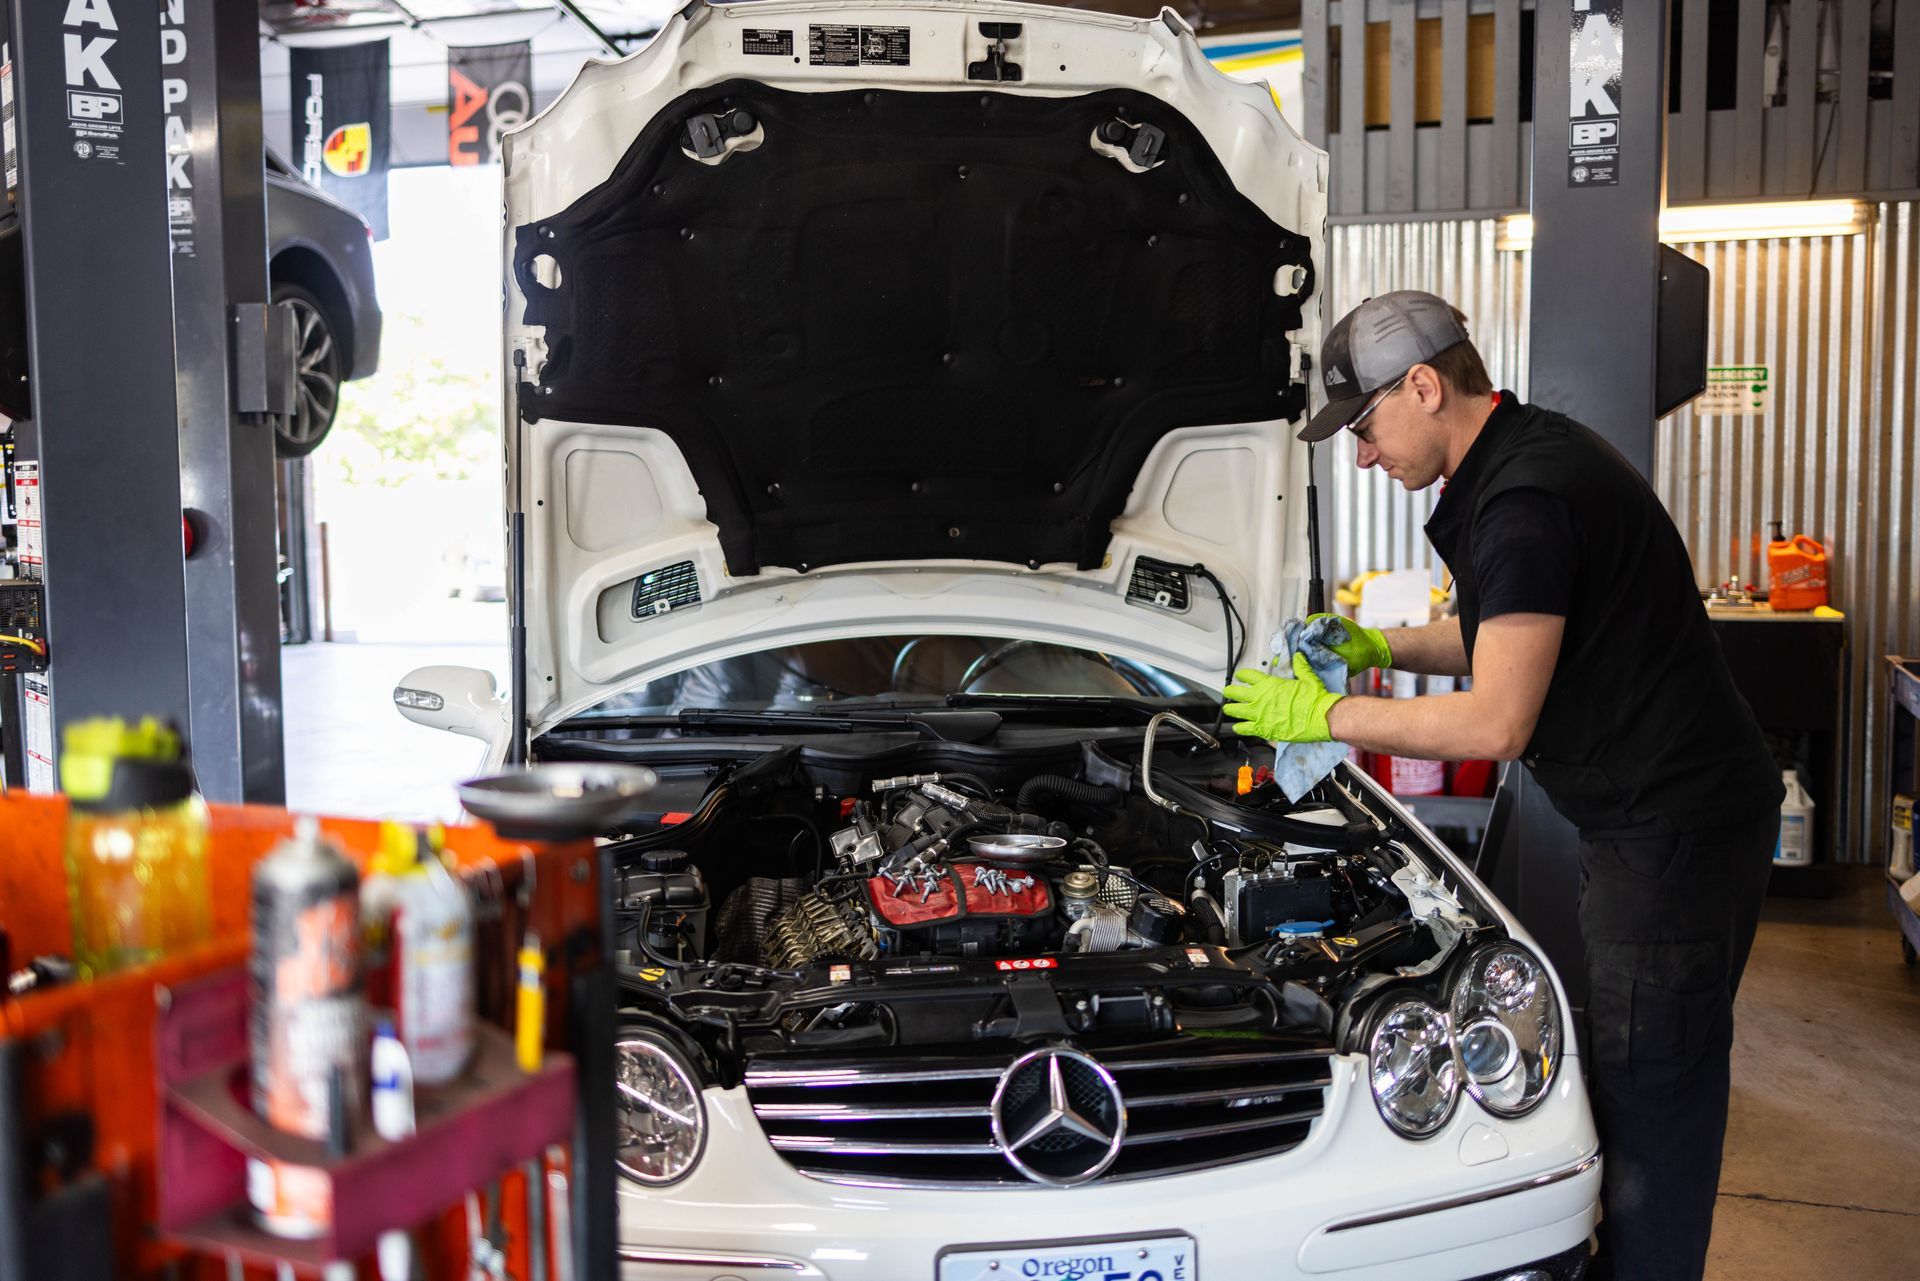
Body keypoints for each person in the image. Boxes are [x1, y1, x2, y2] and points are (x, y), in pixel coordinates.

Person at [1222, 290, 1782, 1281]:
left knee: (1655, 1095)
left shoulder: (1524, 500)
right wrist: (1375, 644)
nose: (1360, 455)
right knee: (1640, 1072)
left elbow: (1497, 719)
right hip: (1658, 821)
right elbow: (1510, 634)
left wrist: (1324, 717)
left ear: (1425, 386)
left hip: (1674, 830)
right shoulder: (1523, 460)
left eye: (1364, 427)